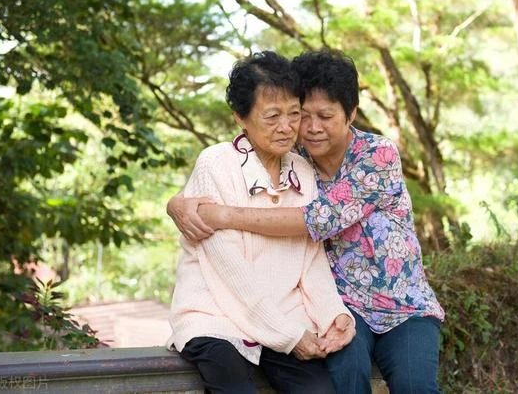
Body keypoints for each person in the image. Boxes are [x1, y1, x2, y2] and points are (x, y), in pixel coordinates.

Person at [168, 49, 445, 394]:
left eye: (323, 116)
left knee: (413, 386)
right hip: (326, 307)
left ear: (351, 114)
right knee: (344, 379)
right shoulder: (290, 157)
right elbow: (226, 193)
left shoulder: (373, 155)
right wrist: (177, 203)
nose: (308, 128)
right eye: (303, 116)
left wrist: (224, 215)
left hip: (399, 304)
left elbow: (315, 224)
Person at [165, 51, 355, 394]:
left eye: (293, 114)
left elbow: (310, 259)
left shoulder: (302, 170)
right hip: (217, 319)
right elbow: (229, 270)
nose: (286, 127)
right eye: (272, 116)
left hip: (283, 321)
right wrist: (288, 336)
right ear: (241, 116)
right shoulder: (216, 164)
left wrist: (333, 315)